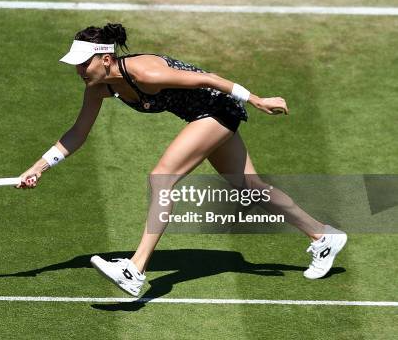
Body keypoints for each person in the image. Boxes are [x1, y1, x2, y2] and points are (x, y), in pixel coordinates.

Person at [17, 23, 347, 297]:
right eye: (75, 63)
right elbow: (78, 133)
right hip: (200, 116)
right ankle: (323, 236)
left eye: (83, 63)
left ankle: (135, 269)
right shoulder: (99, 86)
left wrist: (258, 101)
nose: (78, 70)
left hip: (217, 110)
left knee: (162, 177)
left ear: (105, 58)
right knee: (250, 187)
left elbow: (209, 79)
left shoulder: (146, 73)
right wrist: (39, 168)